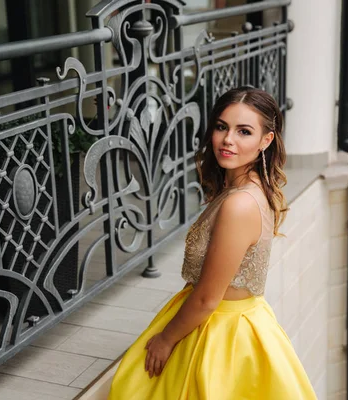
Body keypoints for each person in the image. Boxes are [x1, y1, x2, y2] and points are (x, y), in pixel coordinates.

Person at [108, 87, 317, 399]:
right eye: (221, 127)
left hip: (222, 332)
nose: (227, 140)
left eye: (244, 131)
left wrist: (166, 340)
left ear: (266, 140)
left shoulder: (240, 204)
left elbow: (207, 298)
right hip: (232, 318)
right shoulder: (245, 189)